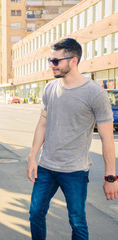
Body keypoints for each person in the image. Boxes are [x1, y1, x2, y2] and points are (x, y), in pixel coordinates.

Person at [27, 38, 118, 240]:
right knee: (35, 214)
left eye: (56, 61)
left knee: (77, 222)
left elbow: (107, 139)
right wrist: (32, 156)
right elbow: (42, 123)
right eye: (50, 60)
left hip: (75, 171)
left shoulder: (96, 93)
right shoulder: (49, 88)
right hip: (46, 167)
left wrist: (110, 177)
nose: (51, 65)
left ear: (73, 61)